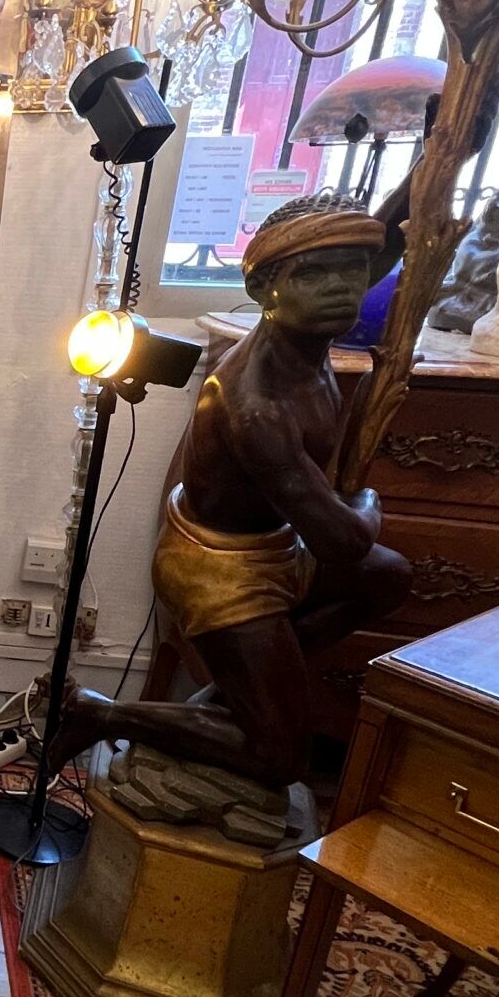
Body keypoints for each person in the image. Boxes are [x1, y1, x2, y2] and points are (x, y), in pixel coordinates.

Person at [49, 191, 410, 792]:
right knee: (280, 760)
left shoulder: (304, 344)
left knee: (388, 578)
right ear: (265, 289)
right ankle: (103, 712)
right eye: (313, 274)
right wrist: (366, 502)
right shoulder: (257, 407)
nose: (341, 288)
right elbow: (343, 541)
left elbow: (388, 235)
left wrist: (434, 159)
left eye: (353, 271)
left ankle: (242, 693)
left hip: (276, 542)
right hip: (221, 571)